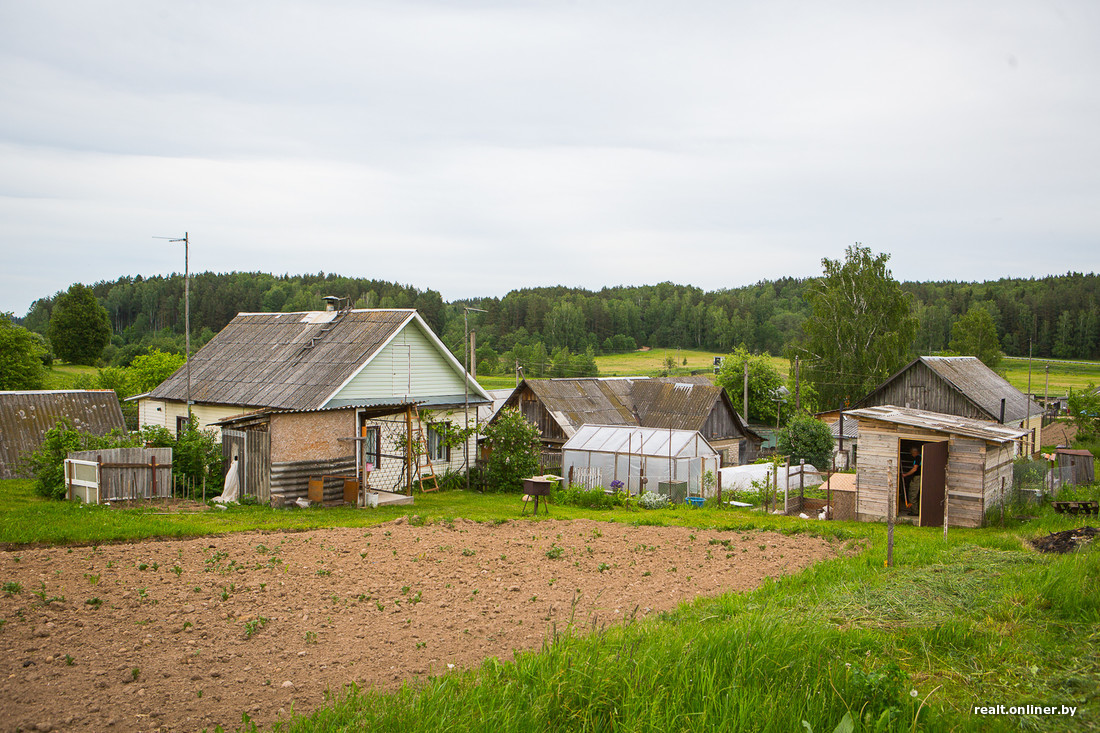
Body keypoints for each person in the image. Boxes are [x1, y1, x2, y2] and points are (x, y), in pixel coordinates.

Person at [902, 446, 921, 516]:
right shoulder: (921, 457)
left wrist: (906, 475)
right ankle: (916, 510)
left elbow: (914, 469)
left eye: (912, 453)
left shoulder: (918, 457)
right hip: (918, 477)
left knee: (913, 494)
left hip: (917, 478)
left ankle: (915, 511)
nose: (912, 455)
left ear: (916, 452)